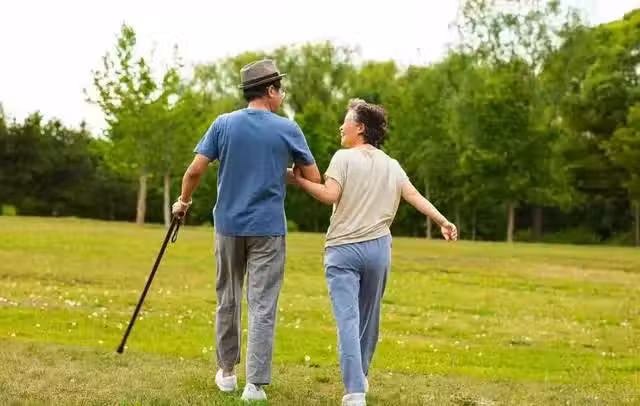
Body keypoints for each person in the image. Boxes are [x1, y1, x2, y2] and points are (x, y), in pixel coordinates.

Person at [172, 59, 321, 402]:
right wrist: (283, 172)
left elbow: (195, 170)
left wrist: (183, 202)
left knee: (227, 298)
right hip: (268, 229)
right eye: (280, 90)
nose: (282, 95)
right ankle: (255, 386)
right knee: (263, 304)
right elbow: (313, 177)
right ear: (269, 91)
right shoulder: (288, 129)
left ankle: (226, 373)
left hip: (228, 226)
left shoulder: (223, 124)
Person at [293, 98, 457, 406]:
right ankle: (361, 376)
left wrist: (298, 180)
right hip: (378, 251)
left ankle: (354, 391)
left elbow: (329, 195)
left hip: (342, 250)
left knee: (347, 320)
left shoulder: (342, 158)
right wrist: (442, 220)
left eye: (346, 121)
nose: (341, 126)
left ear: (360, 128)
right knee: (369, 320)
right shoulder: (391, 165)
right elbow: (413, 196)